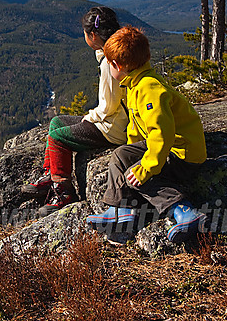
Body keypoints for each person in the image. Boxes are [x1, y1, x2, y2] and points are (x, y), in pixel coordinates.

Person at [86, 25, 207, 244]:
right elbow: (137, 126)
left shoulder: (149, 88)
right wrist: (133, 151)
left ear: (116, 65)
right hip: (168, 146)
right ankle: (119, 210)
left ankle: (183, 211)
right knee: (121, 155)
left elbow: (162, 133)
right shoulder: (135, 83)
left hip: (183, 153)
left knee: (136, 177)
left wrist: (146, 168)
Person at [22, 6, 129, 215]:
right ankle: (50, 173)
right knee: (57, 122)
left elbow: (108, 107)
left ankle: (63, 191)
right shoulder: (116, 51)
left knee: (57, 136)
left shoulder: (110, 62)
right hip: (116, 120)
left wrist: (88, 118)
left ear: (93, 35)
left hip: (113, 128)